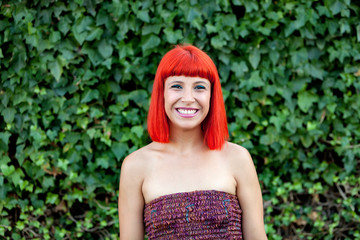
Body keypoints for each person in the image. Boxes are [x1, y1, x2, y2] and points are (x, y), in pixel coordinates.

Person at [118, 44, 268, 239]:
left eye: (199, 87)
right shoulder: (136, 166)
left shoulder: (237, 158)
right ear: (161, 92)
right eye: (177, 86)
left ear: (212, 95)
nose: (188, 98)